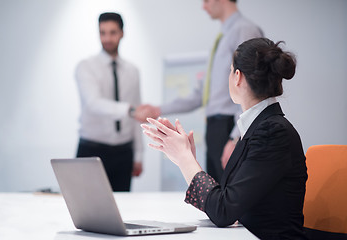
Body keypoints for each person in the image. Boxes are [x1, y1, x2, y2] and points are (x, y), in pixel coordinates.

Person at [142, 38, 308, 239]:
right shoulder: (260, 127)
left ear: (237, 77)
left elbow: (224, 211)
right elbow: (227, 201)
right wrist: (186, 159)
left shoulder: (272, 133)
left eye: (230, 71)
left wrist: (186, 160)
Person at [136, 0, 263, 183]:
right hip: (216, 129)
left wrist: (237, 136)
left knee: (229, 198)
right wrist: (158, 110)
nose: (203, 6)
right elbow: (201, 94)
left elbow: (253, 88)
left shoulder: (244, 30)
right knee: (216, 197)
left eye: (206, 0)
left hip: (229, 128)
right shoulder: (223, 37)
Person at [75, 12, 143, 192]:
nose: (107, 38)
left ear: (122, 33)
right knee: (86, 209)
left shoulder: (132, 71)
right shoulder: (86, 67)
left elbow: (137, 114)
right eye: (102, 32)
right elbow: (93, 103)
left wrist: (139, 154)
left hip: (124, 153)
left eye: (112, 32)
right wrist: (130, 110)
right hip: (91, 150)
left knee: (122, 211)